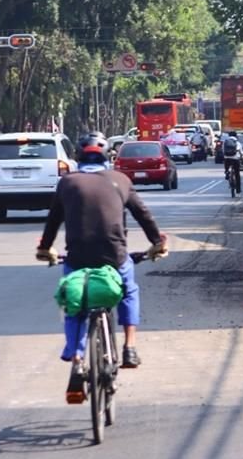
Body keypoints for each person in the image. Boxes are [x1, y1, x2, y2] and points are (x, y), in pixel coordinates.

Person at [35, 131, 168, 386]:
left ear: (78, 157)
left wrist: (44, 248)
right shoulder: (120, 179)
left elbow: (53, 221)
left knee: (74, 303)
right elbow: (143, 215)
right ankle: (129, 348)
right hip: (115, 257)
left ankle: (77, 360)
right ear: (108, 157)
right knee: (128, 291)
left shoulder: (67, 183)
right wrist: (157, 243)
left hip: (77, 258)